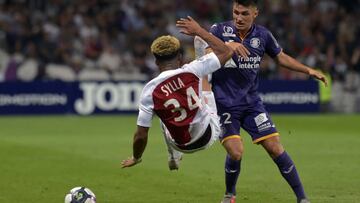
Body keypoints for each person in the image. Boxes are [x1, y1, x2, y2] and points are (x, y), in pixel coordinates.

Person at [197, 0, 328, 203]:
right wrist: (228, 47)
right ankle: (230, 194)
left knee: (275, 147)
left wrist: (307, 70)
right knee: (236, 151)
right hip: (224, 104)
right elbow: (206, 56)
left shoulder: (263, 35)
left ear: (255, 13)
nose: (239, 18)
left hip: (251, 104)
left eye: (244, 14)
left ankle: (302, 199)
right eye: (236, 12)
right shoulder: (219, 29)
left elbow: (281, 57)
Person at [121, 16, 233, 169]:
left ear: (156, 62)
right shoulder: (192, 69)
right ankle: (202, 56)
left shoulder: (149, 90)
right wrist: (200, 31)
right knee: (204, 82)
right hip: (208, 135)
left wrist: (136, 157)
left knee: (163, 114)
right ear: (180, 58)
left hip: (180, 145)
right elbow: (227, 52)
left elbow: (141, 135)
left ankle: (173, 155)